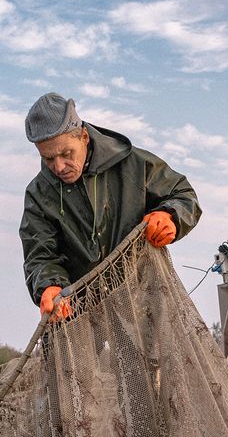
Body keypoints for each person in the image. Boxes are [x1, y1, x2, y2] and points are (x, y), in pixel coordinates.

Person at [19, 93, 201, 319]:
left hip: (144, 306)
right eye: (48, 159)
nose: (59, 167)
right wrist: (49, 286)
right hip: (79, 315)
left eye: (66, 154)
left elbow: (183, 194)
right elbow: (40, 256)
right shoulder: (38, 194)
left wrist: (171, 216)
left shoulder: (133, 164)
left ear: (83, 136)